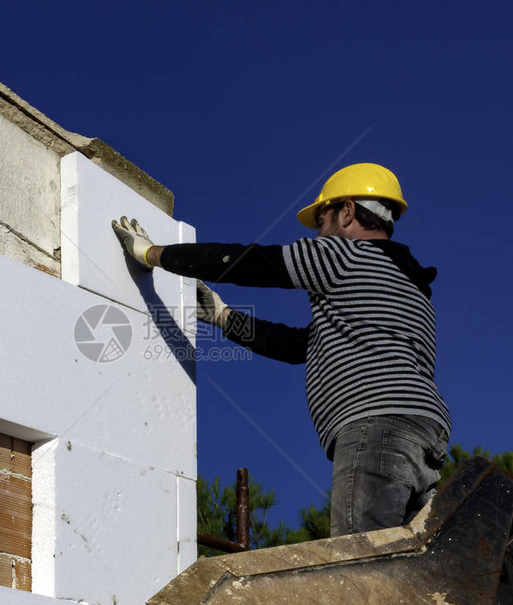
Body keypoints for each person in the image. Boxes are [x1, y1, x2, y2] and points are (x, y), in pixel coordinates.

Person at [113, 162, 451, 537]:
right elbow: (299, 346)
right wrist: (224, 316)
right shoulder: (411, 287)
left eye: (322, 222)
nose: (319, 235)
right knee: (406, 569)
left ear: (347, 212)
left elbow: (250, 263)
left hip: (375, 427)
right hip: (424, 437)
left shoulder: (343, 256)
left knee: (360, 561)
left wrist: (153, 254)